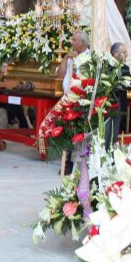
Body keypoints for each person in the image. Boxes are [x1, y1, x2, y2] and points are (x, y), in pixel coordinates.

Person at [56, 30, 90, 174]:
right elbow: (60, 74)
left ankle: (78, 163)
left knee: (78, 132)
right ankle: (67, 162)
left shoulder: (90, 57)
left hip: (81, 100)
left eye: (75, 40)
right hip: (67, 98)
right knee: (67, 131)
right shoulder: (70, 57)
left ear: (83, 43)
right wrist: (65, 58)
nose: (72, 42)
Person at [107, 42, 131, 151]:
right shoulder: (106, 65)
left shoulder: (125, 68)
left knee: (115, 132)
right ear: (115, 54)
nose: (126, 55)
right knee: (106, 131)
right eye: (124, 52)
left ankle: (112, 154)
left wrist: (122, 82)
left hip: (119, 104)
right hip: (106, 103)